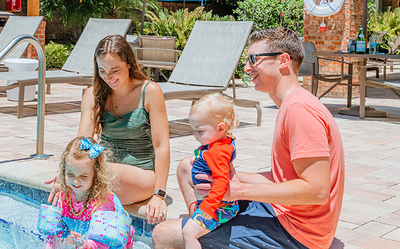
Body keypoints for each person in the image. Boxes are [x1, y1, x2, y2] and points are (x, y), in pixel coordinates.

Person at [152, 27, 345, 249]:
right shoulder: (292, 104)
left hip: (297, 233)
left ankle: (200, 235)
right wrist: (236, 177)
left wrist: (238, 190)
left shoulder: (299, 110)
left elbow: (318, 191)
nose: (246, 67)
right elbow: (285, 178)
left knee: (163, 234)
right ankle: (204, 230)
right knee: (188, 167)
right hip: (284, 212)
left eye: (254, 59)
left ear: (283, 60)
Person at [47, 34, 170, 224]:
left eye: (114, 70)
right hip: (105, 172)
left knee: (90, 174)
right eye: (102, 70)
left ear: (129, 63)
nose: (108, 77)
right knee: (80, 176)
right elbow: (83, 143)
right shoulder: (93, 95)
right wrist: (68, 172)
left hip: (142, 175)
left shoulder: (149, 91)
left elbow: (161, 145)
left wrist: (159, 195)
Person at [38, 137, 134, 249]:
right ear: (64, 170)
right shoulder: (65, 196)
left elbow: (104, 242)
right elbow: (55, 231)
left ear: (96, 174)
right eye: (70, 174)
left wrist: (85, 245)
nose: (75, 181)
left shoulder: (102, 202)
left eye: (83, 176)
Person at [182, 93, 239, 249]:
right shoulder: (220, 143)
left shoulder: (217, 152)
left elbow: (222, 181)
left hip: (220, 207)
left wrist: (209, 207)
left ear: (221, 128)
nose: (195, 135)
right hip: (218, 204)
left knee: (188, 233)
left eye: (199, 131)